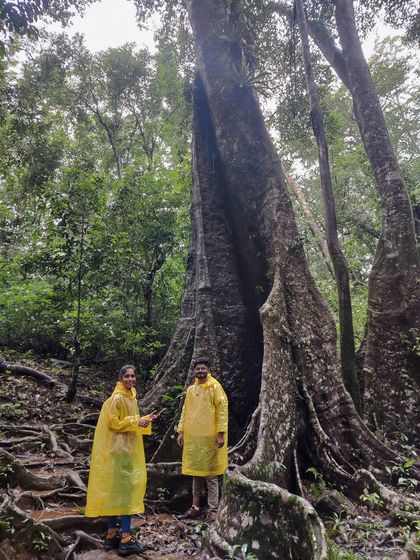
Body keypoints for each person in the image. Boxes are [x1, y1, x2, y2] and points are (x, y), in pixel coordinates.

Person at [85, 365, 156, 557]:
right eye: (127, 376)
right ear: (120, 378)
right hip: (119, 454)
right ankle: (125, 539)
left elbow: (128, 421)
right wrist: (136, 422)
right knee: (125, 495)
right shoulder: (117, 398)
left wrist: (142, 420)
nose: (131, 379)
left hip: (126, 451)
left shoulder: (130, 396)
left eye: (133, 376)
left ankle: (111, 535)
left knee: (116, 494)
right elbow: (113, 423)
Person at [177, 357, 228, 522]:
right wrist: (181, 431)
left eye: (202, 368)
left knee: (211, 474)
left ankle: (213, 509)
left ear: (208, 370)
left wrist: (221, 433)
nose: (200, 371)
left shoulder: (215, 387)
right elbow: (185, 411)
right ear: (194, 371)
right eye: (197, 369)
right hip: (194, 437)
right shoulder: (192, 390)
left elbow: (222, 410)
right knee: (196, 473)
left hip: (210, 437)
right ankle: (196, 507)